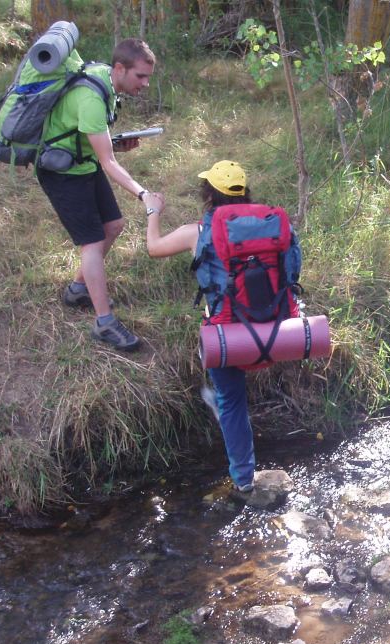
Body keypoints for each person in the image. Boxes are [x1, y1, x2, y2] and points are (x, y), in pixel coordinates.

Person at [142, 160, 263, 493]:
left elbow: (153, 248)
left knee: (231, 400)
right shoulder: (265, 226)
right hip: (271, 331)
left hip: (227, 337)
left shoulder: (197, 233)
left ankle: (244, 479)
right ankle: (220, 403)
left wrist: (153, 211)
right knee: (232, 395)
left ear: (208, 195)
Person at [38, 37, 157, 353]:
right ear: (119, 68)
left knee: (113, 226)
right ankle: (104, 323)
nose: (145, 84)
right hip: (62, 172)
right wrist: (143, 194)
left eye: (148, 77)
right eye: (140, 76)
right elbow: (109, 163)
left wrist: (115, 144)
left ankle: (78, 290)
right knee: (91, 242)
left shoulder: (106, 81)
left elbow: (95, 142)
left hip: (83, 163)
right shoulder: (92, 97)